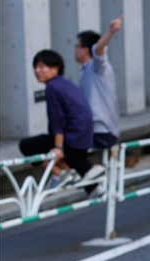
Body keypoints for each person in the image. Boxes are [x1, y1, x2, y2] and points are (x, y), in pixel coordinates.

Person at [20, 50, 104, 192]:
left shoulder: (53, 87)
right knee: (74, 161)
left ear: (55, 68)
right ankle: (92, 184)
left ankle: (60, 173)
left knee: (27, 146)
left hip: (72, 139)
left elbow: (57, 120)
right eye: (35, 67)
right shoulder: (66, 84)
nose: (37, 71)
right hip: (84, 138)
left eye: (41, 67)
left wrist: (58, 147)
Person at [75, 15, 122, 149]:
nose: (75, 50)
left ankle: (91, 170)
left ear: (84, 50)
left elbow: (98, 50)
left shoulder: (98, 68)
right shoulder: (84, 71)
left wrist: (111, 32)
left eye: (77, 46)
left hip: (103, 132)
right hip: (91, 130)